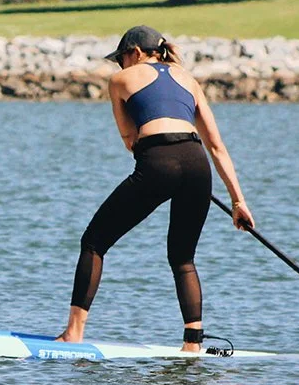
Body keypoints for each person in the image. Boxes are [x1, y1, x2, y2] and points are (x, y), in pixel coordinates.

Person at [54, 25, 255, 352]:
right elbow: (217, 146)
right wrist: (238, 201)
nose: (119, 66)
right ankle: (192, 345)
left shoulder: (120, 81)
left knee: (94, 241)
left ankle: (73, 333)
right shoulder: (188, 79)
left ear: (134, 52)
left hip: (159, 161)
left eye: (121, 58)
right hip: (197, 162)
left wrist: (162, 160)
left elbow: (131, 141)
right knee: (183, 257)